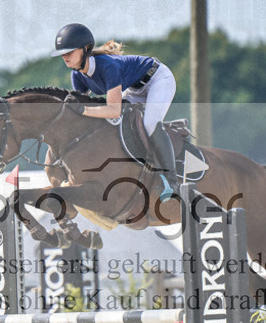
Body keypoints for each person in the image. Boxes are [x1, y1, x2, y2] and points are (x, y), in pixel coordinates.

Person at [51, 23, 178, 202]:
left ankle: (172, 180)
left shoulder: (107, 66)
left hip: (158, 79)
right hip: (134, 88)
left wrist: (82, 109)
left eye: (69, 52)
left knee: (150, 123)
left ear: (85, 49)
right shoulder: (77, 75)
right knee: (115, 122)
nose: (65, 57)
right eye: (62, 53)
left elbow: (112, 109)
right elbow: (86, 115)